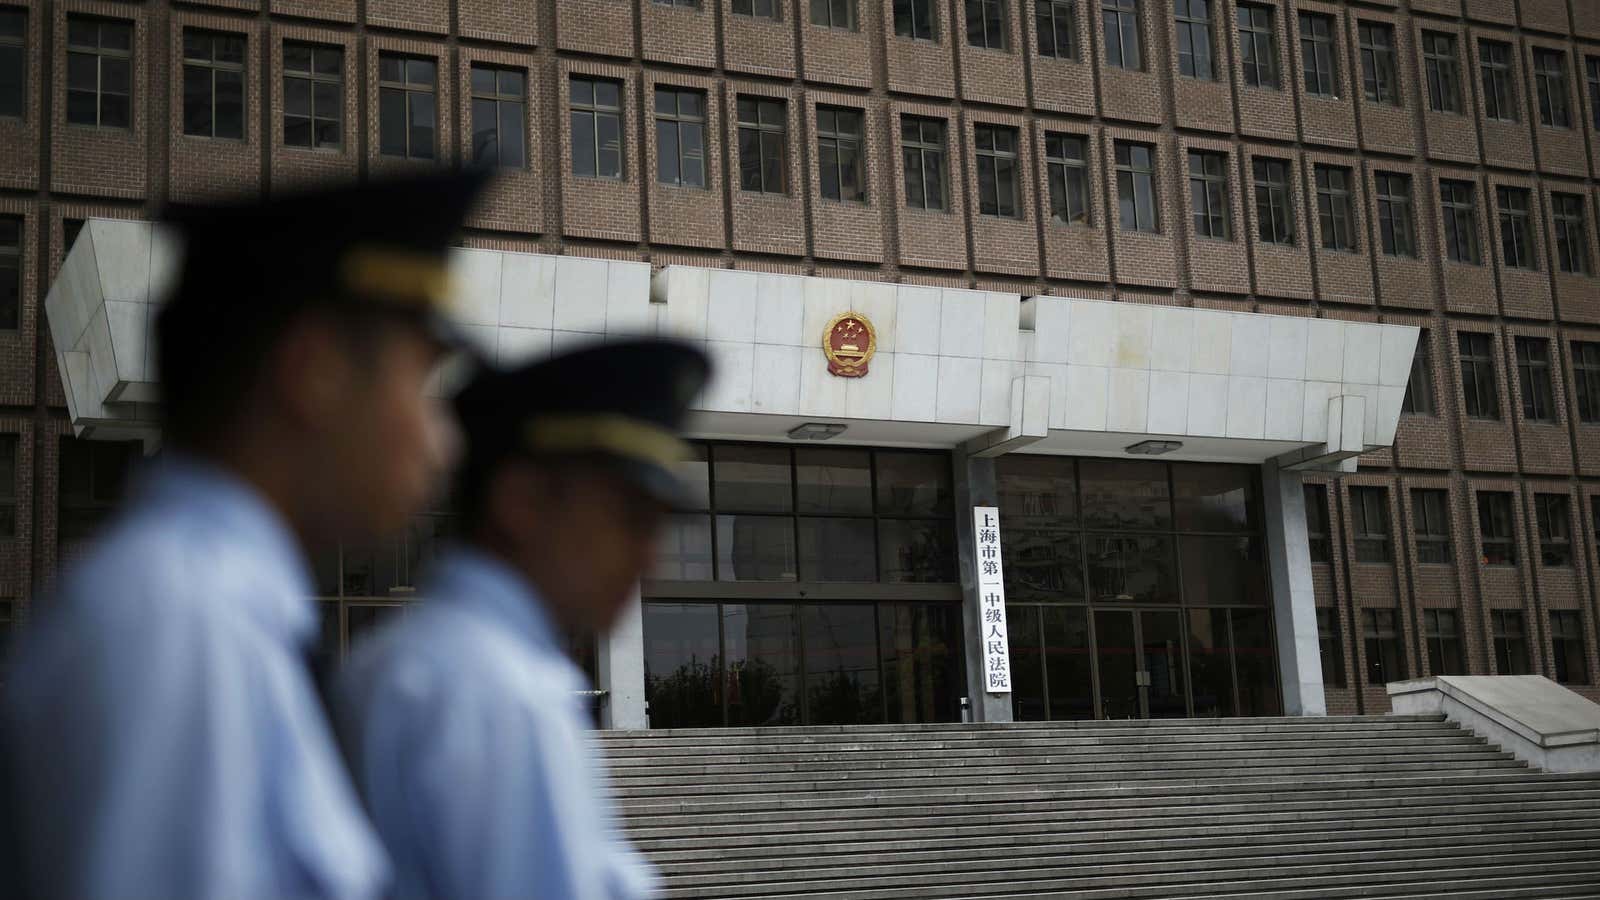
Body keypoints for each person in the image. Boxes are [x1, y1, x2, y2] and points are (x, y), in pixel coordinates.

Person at [0, 171, 488, 900]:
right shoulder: (182, 632)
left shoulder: (216, 619)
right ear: (314, 371)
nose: (442, 443)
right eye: (422, 384)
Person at [335, 339, 710, 900]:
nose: (648, 557)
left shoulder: (403, 660)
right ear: (521, 502)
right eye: (630, 518)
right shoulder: (502, 693)